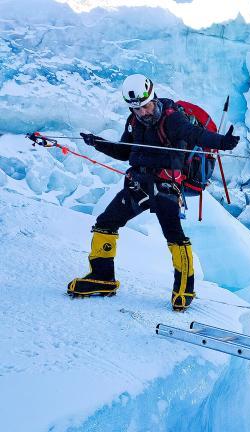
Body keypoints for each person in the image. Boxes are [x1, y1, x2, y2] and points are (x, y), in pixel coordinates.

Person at [67, 74, 239, 311]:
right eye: (138, 109)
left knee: (174, 235)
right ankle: (102, 278)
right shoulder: (134, 122)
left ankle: (184, 290)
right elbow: (125, 152)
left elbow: (195, 134)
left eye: (146, 106)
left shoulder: (173, 119)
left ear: (153, 97)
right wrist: (97, 142)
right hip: (139, 184)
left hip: (166, 187)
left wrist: (223, 142)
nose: (144, 113)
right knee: (105, 223)